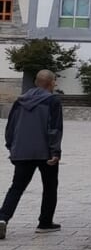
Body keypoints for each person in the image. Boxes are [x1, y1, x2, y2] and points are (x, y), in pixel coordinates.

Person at [0, 69, 63, 239]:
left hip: (22, 151)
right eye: (54, 81)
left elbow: (10, 126)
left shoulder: (20, 101)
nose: (55, 84)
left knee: (17, 187)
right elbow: (54, 129)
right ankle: (45, 223)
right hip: (45, 152)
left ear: (36, 82)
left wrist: (11, 147)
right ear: (50, 83)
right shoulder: (53, 101)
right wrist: (55, 151)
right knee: (50, 187)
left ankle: (2, 218)